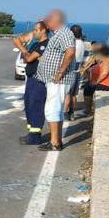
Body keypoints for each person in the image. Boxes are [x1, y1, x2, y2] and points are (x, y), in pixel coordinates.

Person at [34, 9, 77, 151]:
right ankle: (56, 141)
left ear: (56, 21)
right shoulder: (58, 33)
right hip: (55, 80)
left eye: (49, 19)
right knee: (56, 110)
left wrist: (60, 72)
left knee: (52, 110)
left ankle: (54, 143)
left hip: (58, 80)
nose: (47, 22)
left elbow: (70, 51)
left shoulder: (64, 33)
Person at [13, 21, 50, 144]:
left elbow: (28, 58)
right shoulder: (35, 44)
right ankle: (31, 134)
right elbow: (26, 59)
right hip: (31, 79)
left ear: (43, 31)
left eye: (36, 30)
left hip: (39, 80)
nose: (34, 32)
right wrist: (27, 53)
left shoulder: (45, 44)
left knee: (36, 106)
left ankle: (35, 137)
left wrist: (22, 48)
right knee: (29, 106)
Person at [82, 45, 109, 115]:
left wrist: (96, 82)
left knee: (88, 88)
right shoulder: (103, 61)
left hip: (108, 84)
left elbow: (104, 73)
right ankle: (88, 109)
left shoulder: (106, 61)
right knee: (88, 86)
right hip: (106, 83)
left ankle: (88, 110)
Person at [64, 24, 86, 121]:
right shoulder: (82, 43)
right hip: (78, 72)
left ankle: (65, 113)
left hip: (71, 71)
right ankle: (72, 113)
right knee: (74, 95)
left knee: (67, 94)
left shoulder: (72, 44)